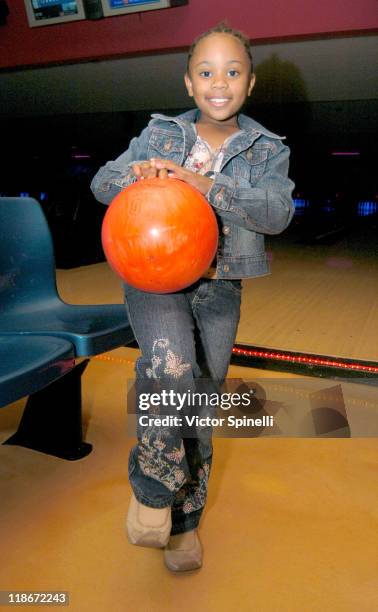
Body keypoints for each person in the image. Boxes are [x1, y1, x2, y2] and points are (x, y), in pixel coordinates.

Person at [90, 22, 295, 572]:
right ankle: (154, 489)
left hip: (219, 285)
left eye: (233, 71)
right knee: (171, 367)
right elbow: (101, 184)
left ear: (250, 84)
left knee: (199, 409)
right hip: (153, 279)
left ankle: (186, 527)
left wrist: (204, 185)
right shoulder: (159, 134)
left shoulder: (267, 148)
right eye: (206, 71)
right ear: (188, 83)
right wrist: (134, 176)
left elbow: (277, 214)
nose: (219, 82)